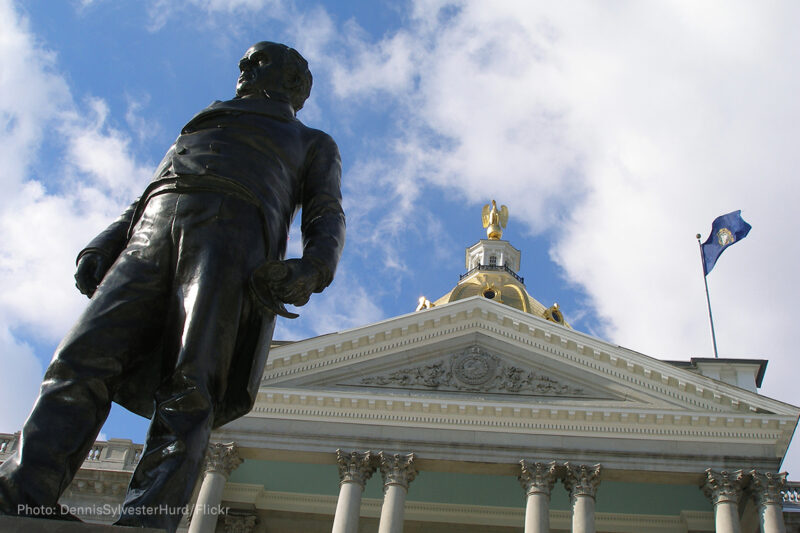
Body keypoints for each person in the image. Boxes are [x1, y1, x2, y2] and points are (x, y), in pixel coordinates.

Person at [0, 41, 345, 532]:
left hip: (233, 240)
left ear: (294, 83)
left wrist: (313, 268)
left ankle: (147, 521)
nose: (245, 66)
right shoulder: (203, 120)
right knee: (79, 357)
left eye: (261, 60)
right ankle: (24, 494)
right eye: (247, 60)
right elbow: (151, 188)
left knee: (192, 386)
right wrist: (106, 241)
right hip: (151, 231)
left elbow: (325, 212)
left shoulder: (313, 142)